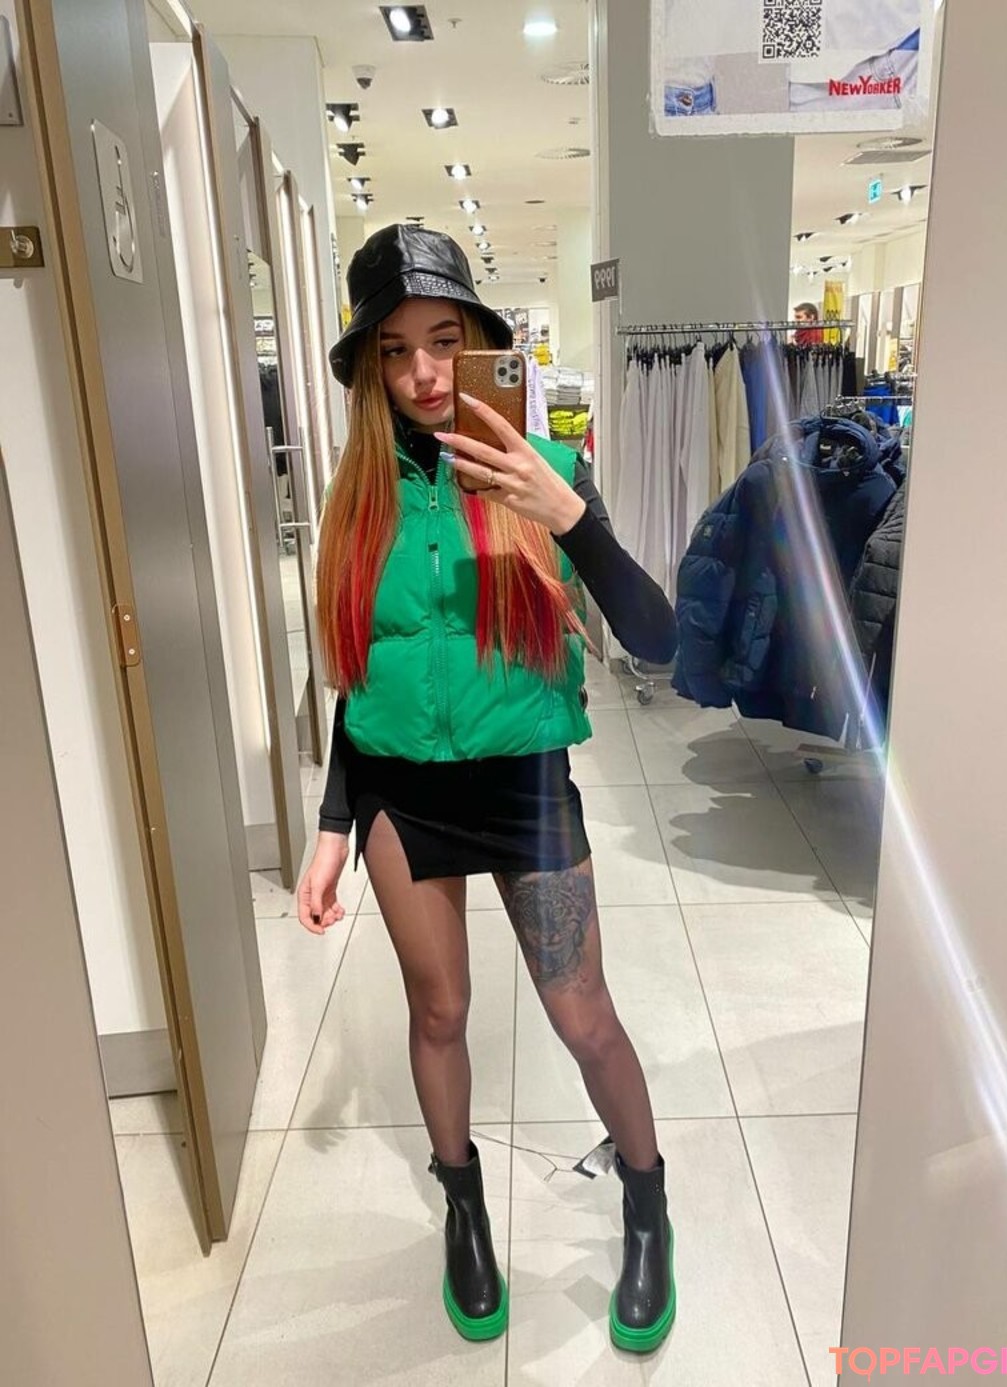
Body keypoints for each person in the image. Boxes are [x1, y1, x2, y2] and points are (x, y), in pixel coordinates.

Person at [296, 224, 679, 1355]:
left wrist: (569, 516)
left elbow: (660, 639)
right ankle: (462, 1204)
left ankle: (647, 1202)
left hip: (522, 787)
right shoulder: (358, 497)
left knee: (584, 1015)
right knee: (440, 1011)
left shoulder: (543, 471)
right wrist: (332, 825)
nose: (422, 372)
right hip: (400, 798)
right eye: (395, 350)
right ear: (371, 370)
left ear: (477, 345)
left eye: (442, 341)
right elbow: (364, 675)